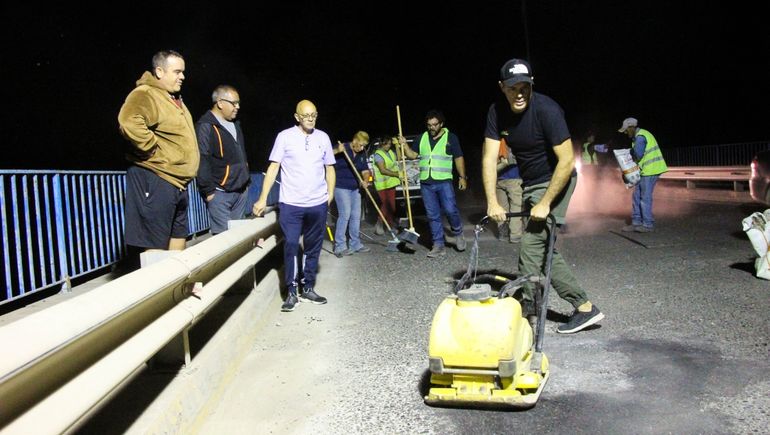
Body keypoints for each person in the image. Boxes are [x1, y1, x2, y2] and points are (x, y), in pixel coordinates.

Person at [482, 58, 604, 334]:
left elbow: (566, 161)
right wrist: (492, 201)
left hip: (557, 180)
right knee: (545, 248)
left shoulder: (547, 109)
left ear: (531, 85)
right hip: (531, 183)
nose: (520, 93)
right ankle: (584, 307)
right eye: (513, 88)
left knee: (530, 246)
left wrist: (546, 202)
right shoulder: (496, 112)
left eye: (525, 87)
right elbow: (489, 158)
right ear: (502, 87)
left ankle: (526, 307)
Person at [252, 100, 335, 312]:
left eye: (314, 115)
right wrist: (262, 198)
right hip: (291, 203)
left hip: (317, 203)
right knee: (290, 244)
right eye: (306, 115)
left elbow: (330, 168)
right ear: (297, 117)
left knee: (313, 246)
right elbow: (274, 167)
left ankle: (308, 288)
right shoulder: (285, 137)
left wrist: (330, 194)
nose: (311, 119)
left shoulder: (323, 137)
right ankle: (291, 291)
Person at [118, 50, 199, 254]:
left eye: (183, 71)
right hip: (157, 178)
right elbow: (128, 121)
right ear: (160, 72)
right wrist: (155, 151)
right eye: (177, 72)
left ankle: (178, 277)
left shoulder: (172, 98)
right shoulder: (146, 93)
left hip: (177, 182)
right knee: (155, 248)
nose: (183, 76)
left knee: (178, 240)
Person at [400, 110, 468, 258]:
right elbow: (412, 155)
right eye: (429, 125)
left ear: (441, 124)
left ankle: (458, 233)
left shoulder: (451, 138)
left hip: (444, 181)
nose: (432, 127)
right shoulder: (422, 138)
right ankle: (438, 245)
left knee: (450, 210)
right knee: (432, 215)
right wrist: (404, 145)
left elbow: (458, 157)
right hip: (426, 183)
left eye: (435, 124)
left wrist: (462, 177)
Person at [195, 85, 250, 235]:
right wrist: (209, 192)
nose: (237, 107)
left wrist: (246, 181)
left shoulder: (235, 124)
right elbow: (202, 158)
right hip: (220, 194)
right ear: (220, 103)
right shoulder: (205, 126)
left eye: (238, 103)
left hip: (241, 191)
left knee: (239, 238)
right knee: (224, 239)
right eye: (234, 103)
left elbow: (241, 154)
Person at [618, 117, 668, 233]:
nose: (625, 132)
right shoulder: (637, 137)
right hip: (645, 170)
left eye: (626, 130)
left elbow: (638, 155)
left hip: (651, 170)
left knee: (644, 197)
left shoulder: (640, 137)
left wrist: (629, 154)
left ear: (632, 127)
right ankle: (636, 222)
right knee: (637, 196)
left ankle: (648, 224)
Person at [332, 131, 372, 257]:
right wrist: (337, 151)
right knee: (345, 214)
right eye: (361, 145)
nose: (362, 148)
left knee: (356, 215)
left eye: (364, 146)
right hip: (341, 186)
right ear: (354, 141)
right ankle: (340, 246)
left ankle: (355, 244)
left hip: (355, 189)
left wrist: (365, 180)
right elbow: (324, 156)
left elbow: (365, 170)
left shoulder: (361, 153)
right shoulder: (342, 147)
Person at [371, 136, 403, 235]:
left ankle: (390, 225)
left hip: (391, 183)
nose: (388, 146)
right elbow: (382, 170)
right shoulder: (378, 155)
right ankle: (380, 224)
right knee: (386, 205)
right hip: (382, 185)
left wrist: (397, 145)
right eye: (386, 144)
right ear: (382, 144)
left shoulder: (390, 152)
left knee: (391, 206)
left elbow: (399, 158)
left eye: (390, 144)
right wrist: (397, 174)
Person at [496, 138, 523, 243]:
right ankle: (515, 235)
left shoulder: (494, 140)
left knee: (502, 208)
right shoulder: (515, 138)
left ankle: (503, 234)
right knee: (516, 207)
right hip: (514, 177)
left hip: (498, 178)